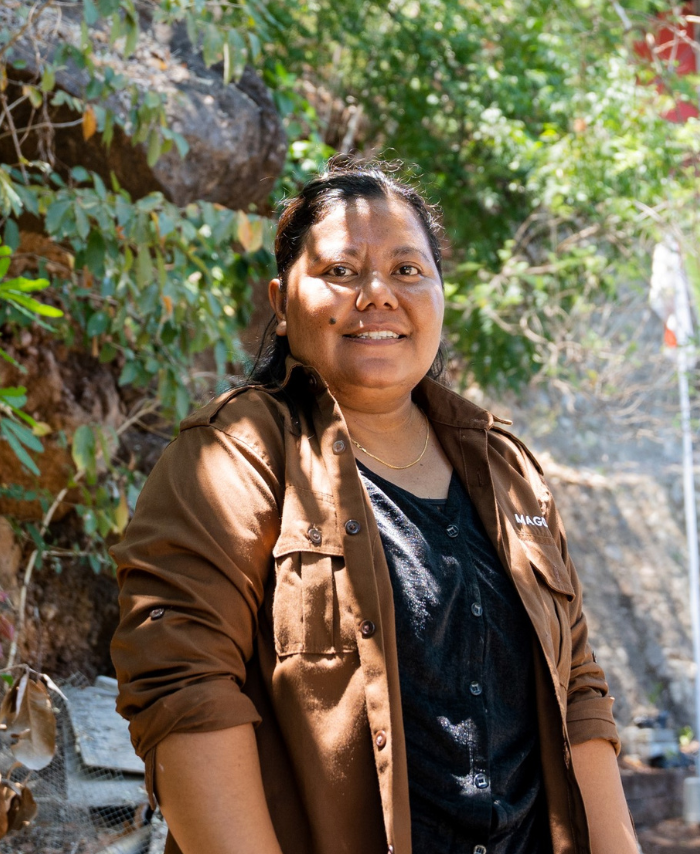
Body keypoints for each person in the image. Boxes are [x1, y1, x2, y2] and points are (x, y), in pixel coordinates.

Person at [110, 159, 637, 854]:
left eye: (408, 271)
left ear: (441, 294)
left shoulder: (503, 465)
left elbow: (577, 688)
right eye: (342, 272)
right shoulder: (237, 454)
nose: (378, 294)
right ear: (280, 299)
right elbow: (183, 687)